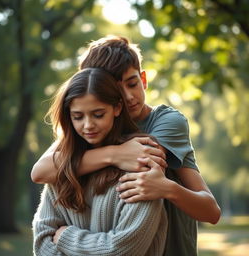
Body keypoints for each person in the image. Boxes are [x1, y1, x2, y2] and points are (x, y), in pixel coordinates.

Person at [31, 35, 221, 256]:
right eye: (118, 91)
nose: (130, 97)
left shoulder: (166, 122)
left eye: (133, 84)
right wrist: (114, 153)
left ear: (144, 79)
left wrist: (168, 188)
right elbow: (40, 172)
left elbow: (211, 211)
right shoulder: (94, 127)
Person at [32, 68, 168, 256]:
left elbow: (121, 251)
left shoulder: (142, 167)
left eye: (98, 114)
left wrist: (66, 237)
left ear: (117, 108)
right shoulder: (61, 168)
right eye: (78, 117)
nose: (88, 125)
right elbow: (42, 244)